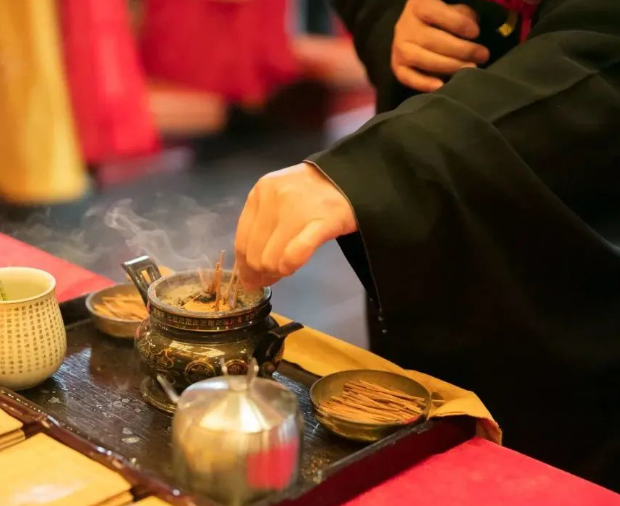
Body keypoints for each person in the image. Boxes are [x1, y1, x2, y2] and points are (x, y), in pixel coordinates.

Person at [234, 0, 620, 489]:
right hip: (427, 246)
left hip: (582, 266)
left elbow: (600, 58)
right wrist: (391, 19)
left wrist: (386, 162)